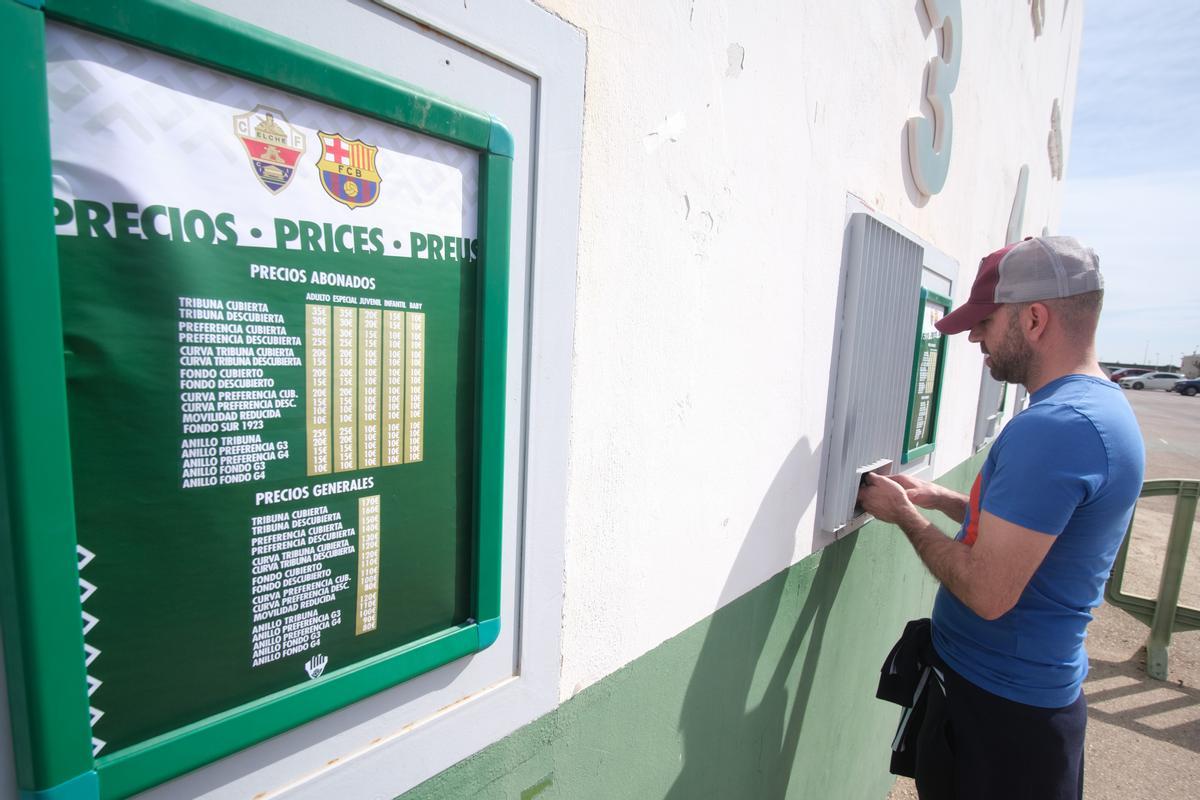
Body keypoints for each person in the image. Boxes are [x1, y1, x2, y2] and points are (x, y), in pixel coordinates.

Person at [859, 236, 1145, 800]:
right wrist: (943, 500)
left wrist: (906, 519)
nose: (974, 338)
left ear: (1035, 318)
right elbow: (1042, 542)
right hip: (1020, 703)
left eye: (987, 321)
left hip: (999, 716)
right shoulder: (1101, 411)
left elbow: (989, 591)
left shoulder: (1056, 428)